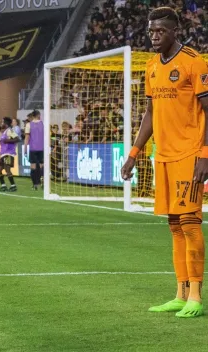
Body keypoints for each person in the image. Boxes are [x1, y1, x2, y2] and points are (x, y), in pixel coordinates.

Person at [121, 7, 208, 318]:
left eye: (160, 30)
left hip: (189, 154)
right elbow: (150, 114)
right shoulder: (151, 66)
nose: (154, 35)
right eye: (151, 30)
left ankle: (196, 297)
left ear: (175, 31)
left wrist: (204, 154)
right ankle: (180, 293)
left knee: (189, 223)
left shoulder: (194, 63)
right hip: (164, 155)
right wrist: (134, 153)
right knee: (174, 225)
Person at [0, 117, 19, 192]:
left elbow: (17, 139)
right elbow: (4, 142)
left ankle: (13, 186)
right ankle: (3, 186)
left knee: (7, 169)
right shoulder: (5, 132)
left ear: (6, 124)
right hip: (3, 154)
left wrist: (8, 140)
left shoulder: (10, 130)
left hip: (9, 153)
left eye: (2, 122)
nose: (1, 123)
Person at [24, 110, 44, 190]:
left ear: (32, 116)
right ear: (39, 115)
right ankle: (43, 183)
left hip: (33, 148)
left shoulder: (29, 125)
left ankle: (35, 184)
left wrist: (25, 148)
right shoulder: (43, 124)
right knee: (42, 165)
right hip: (42, 148)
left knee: (33, 166)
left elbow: (27, 137)